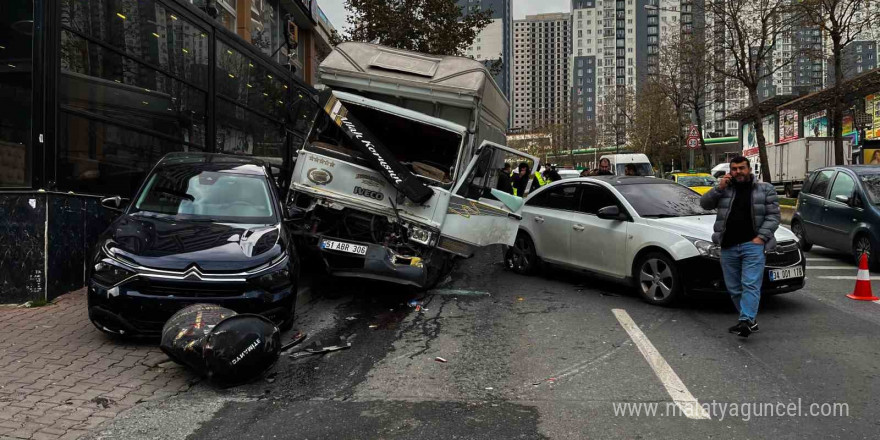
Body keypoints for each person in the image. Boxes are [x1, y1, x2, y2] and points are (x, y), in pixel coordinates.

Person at [700, 156, 780, 338]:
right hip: (728, 245)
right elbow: (704, 204)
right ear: (730, 171)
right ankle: (749, 319)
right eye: (734, 169)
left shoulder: (765, 189)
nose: (738, 172)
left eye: (741, 168)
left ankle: (746, 320)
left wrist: (761, 238)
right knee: (734, 288)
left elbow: (774, 216)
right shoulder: (724, 189)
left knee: (750, 284)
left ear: (749, 169)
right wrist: (718, 188)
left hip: (753, 245)